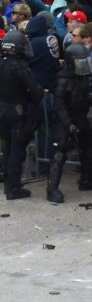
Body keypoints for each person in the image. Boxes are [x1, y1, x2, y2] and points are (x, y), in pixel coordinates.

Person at [49, 43, 92, 202]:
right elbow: (59, 103)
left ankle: (87, 180)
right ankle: (52, 188)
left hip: (80, 117)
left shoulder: (82, 77)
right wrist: (68, 123)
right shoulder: (63, 78)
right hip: (66, 120)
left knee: (89, 145)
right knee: (60, 152)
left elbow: (81, 97)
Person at [0, 30, 43, 200]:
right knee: (16, 151)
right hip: (17, 112)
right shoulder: (20, 67)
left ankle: (9, 185)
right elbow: (36, 92)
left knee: (8, 148)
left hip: (2, 110)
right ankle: (13, 188)